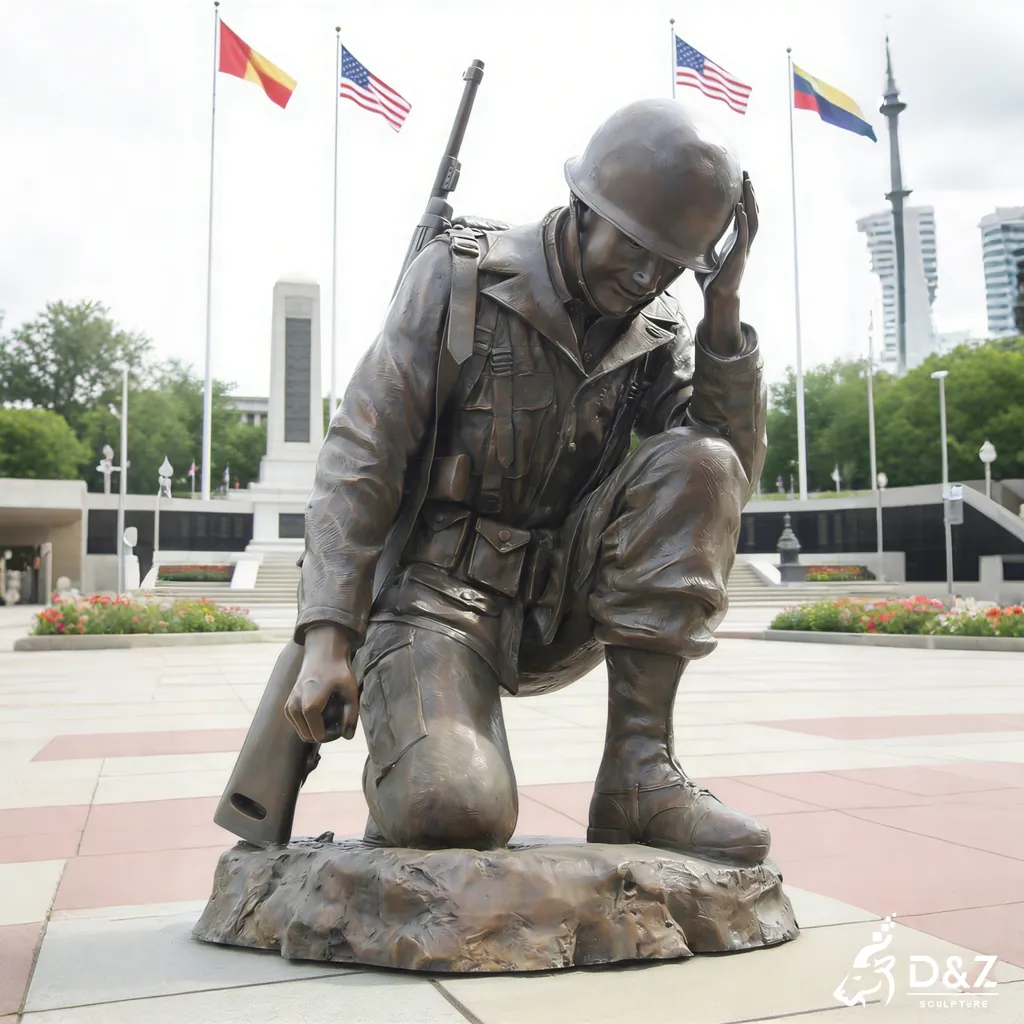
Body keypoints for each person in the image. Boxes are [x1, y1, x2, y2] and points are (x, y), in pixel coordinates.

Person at [285, 98, 771, 864]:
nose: (647, 277)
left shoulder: (664, 326)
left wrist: (723, 312)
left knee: (699, 459)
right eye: (635, 247)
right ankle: (416, 763)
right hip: (436, 598)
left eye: (671, 263)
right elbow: (361, 454)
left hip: (561, 601)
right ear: (583, 208)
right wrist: (326, 638)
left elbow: (728, 475)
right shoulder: (460, 276)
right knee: (455, 812)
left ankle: (639, 776)